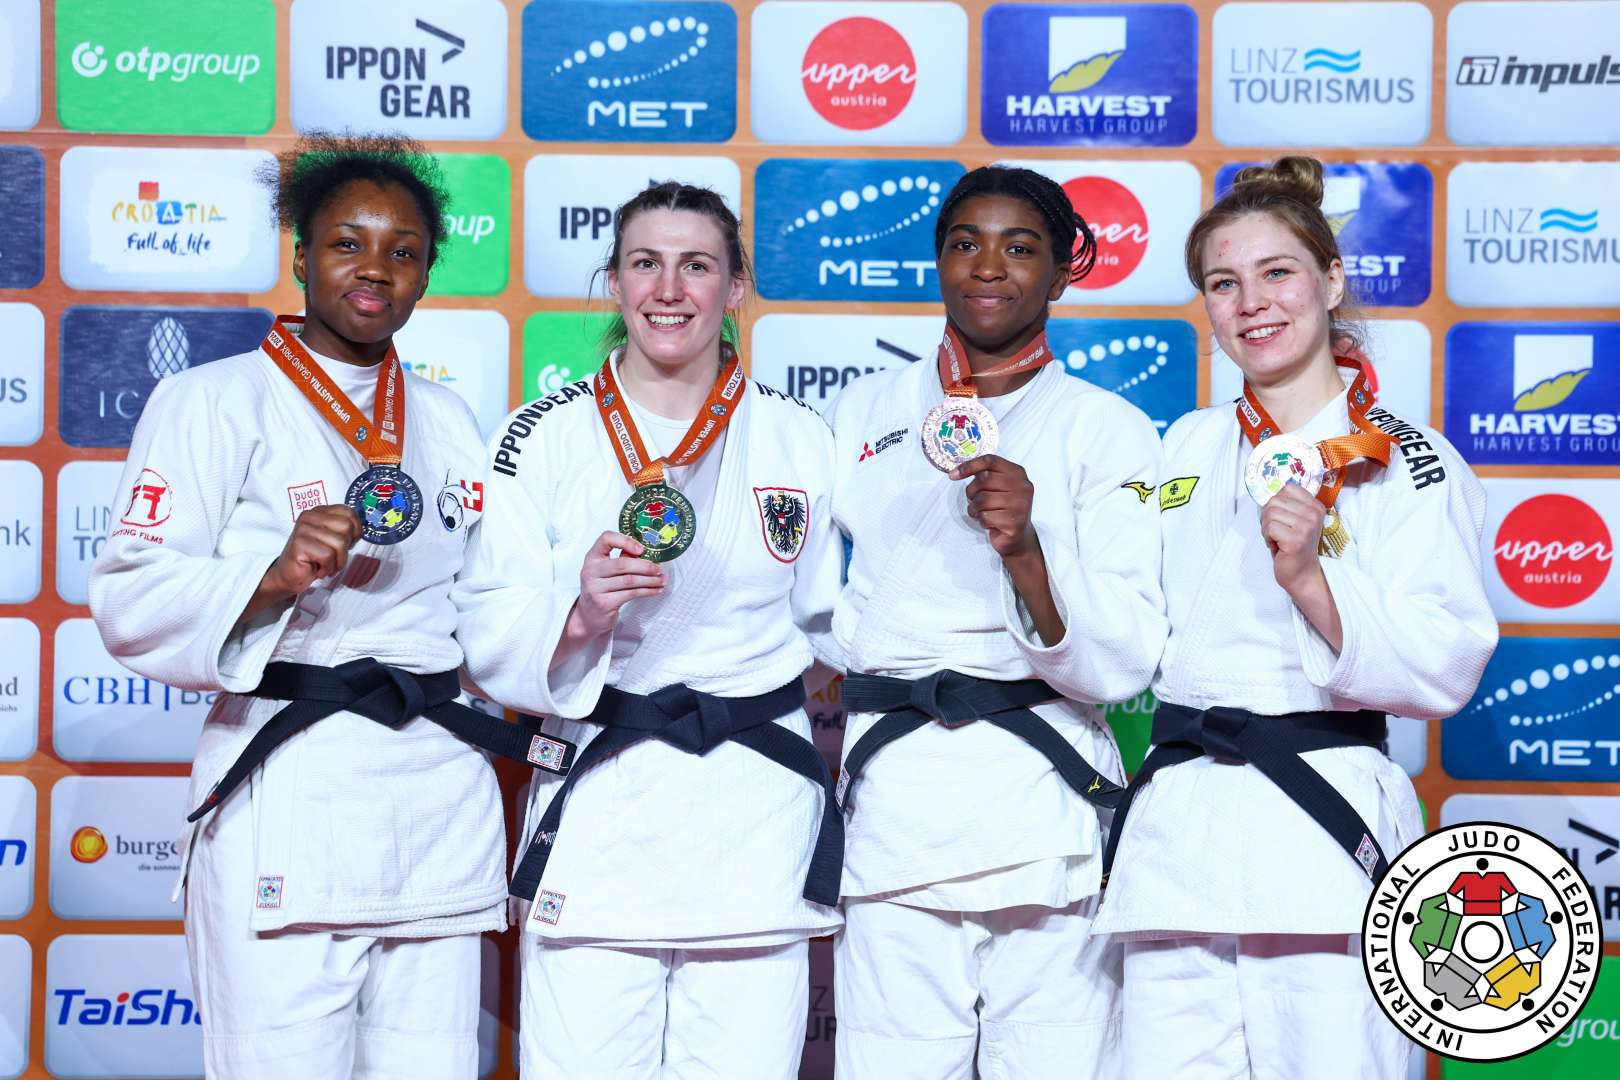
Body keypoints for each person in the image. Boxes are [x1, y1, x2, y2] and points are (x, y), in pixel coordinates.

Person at [87, 133, 515, 1079]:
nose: (376, 269)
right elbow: (128, 595)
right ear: (300, 257)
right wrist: (271, 576)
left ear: (427, 275)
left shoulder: (446, 420)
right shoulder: (213, 401)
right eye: (348, 243)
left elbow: (485, 601)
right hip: (290, 781)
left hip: (433, 790)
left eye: (404, 251)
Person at [1093, 156, 1498, 1078]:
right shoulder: (1185, 447)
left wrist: (1313, 581)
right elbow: (1127, 625)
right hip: (1180, 845)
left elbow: (1446, 662)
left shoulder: (1410, 460)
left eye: (1277, 273)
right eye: (1223, 284)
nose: (1252, 303)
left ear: (1330, 280)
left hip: (1321, 843)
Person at [453, 181, 844, 1078]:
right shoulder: (537, 436)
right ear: (615, 282)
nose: (669, 288)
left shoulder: (797, 437)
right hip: (601, 813)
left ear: (735, 287)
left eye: (697, 265)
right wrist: (580, 612)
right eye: (645, 263)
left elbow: (830, 627)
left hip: (752, 818)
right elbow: (483, 629)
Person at [825, 165, 1168, 1080]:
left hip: (1042, 803)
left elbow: (1128, 652)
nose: (988, 267)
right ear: (937, 263)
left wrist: (1026, 550)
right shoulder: (863, 412)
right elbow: (814, 611)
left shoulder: (1113, 429)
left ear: (1061, 275)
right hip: (897, 800)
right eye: (965, 244)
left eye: (1021, 248)